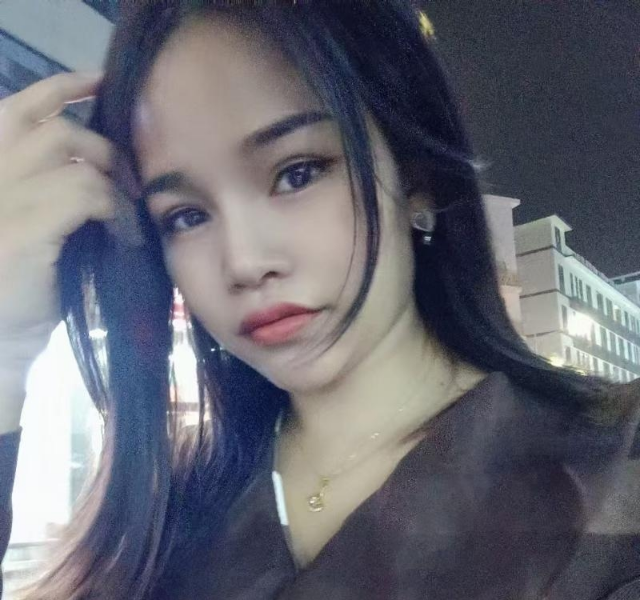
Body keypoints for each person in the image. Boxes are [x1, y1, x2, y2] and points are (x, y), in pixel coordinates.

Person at [0, 2, 639, 599]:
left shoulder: (613, 474)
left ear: (415, 177)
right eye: (186, 216)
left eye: (297, 173)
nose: (244, 262)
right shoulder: (166, 514)